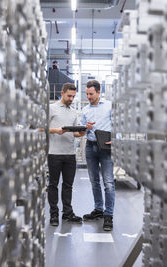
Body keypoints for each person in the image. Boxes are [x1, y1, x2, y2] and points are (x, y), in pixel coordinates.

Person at [48, 82, 86, 226]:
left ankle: (67, 213)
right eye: (69, 96)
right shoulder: (51, 108)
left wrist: (80, 133)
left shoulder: (73, 112)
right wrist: (55, 130)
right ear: (62, 93)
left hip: (70, 154)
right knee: (53, 185)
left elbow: (75, 133)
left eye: (73, 96)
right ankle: (54, 214)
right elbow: (41, 128)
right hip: (54, 153)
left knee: (68, 185)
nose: (71, 99)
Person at [81, 80, 115, 231]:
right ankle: (98, 209)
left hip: (106, 148)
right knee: (94, 181)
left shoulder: (109, 106)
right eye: (87, 94)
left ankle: (108, 215)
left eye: (91, 94)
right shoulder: (85, 110)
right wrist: (84, 128)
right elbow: (81, 132)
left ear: (98, 92)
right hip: (90, 147)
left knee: (108, 183)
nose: (88, 96)